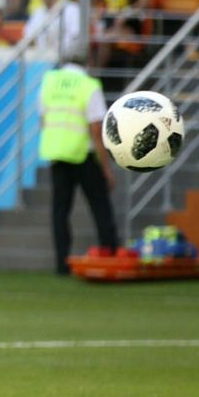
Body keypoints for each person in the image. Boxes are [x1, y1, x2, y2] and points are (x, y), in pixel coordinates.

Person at [38, 48, 118, 275]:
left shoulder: (49, 81)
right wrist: (107, 167)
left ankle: (62, 265)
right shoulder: (89, 85)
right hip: (83, 154)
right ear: (88, 60)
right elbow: (95, 128)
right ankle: (110, 257)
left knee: (60, 211)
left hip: (57, 152)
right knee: (100, 206)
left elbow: (43, 117)